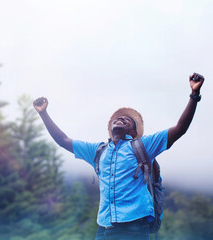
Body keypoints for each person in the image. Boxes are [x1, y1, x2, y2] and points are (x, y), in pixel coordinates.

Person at [33, 73, 204, 240]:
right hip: (103, 227)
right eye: (118, 118)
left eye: (127, 120)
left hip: (133, 227)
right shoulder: (98, 151)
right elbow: (63, 140)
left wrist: (194, 95)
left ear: (134, 131)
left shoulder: (144, 145)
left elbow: (179, 128)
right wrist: (43, 113)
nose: (121, 118)